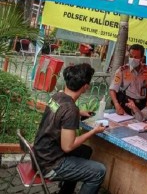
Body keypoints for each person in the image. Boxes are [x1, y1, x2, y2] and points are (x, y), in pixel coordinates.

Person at [33, 63, 106, 194]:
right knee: (99, 171)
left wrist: (79, 112)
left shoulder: (58, 96)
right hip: (50, 165)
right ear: (85, 87)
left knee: (85, 151)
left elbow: (59, 113)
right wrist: (93, 131)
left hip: (39, 156)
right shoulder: (70, 109)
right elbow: (68, 146)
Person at [109, 44, 147, 115]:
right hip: (127, 104)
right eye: (131, 56)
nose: (132, 59)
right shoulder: (122, 71)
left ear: (142, 59)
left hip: (142, 105)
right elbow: (112, 89)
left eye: (136, 57)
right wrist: (117, 105)